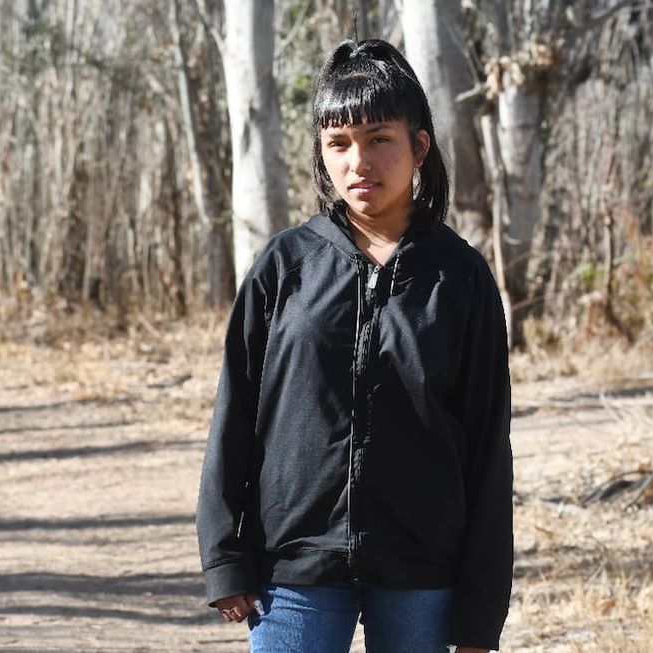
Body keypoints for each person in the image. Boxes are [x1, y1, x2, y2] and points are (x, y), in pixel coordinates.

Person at [195, 38, 513, 653]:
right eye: (338, 143)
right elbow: (235, 412)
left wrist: (480, 614)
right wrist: (224, 555)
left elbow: (487, 450)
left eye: (378, 138)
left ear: (419, 146)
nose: (358, 161)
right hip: (293, 565)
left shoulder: (461, 277)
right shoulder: (285, 264)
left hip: (424, 569)